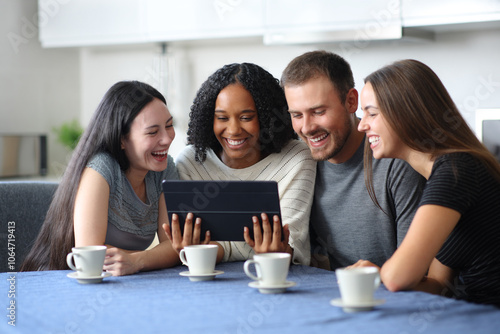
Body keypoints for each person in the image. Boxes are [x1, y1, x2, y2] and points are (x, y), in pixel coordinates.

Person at [21, 81, 207, 276]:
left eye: (169, 125)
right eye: (153, 132)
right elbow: (91, 254)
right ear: (121, 139)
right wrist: (151, 257)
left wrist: (137, 260)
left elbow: (175, 245)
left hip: (120, 281)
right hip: (60, 279)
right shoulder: (101, 169)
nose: (167, 138)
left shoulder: (164, 168)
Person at [357, 59, 500, 306]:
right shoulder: (445, 172)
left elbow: (397, 278)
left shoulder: (456, 170)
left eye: (372, 113)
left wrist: (378, 273)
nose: (362, 125)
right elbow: (437, 283)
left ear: (405, 111)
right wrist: (380, 275)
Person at [280, 50, 426, 270]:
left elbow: (417, 272)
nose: (307, 128)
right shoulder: (300, 164)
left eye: (318, 111)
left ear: (351, 101)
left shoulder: (396, 162)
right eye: (297, 115)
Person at [174, 62, 316, 265]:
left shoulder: (296, 158)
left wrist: (218, 247)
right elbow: (191, 247)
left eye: (246, 117)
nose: (233, 130)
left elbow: (291, 245)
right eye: (222, 118)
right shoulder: (191, 162)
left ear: (266, 116)